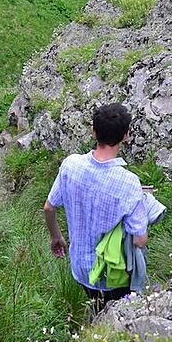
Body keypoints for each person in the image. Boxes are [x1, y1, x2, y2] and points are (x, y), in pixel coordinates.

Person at [43, 103, 150, 310]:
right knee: (115, 317)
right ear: (126, 135)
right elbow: (139, 239)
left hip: (80, 269)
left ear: (93, 130)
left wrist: (56, 238)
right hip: (112, 273)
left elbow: (49, 207)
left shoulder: (70, 164)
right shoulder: (129, 183)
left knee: (96, 307)